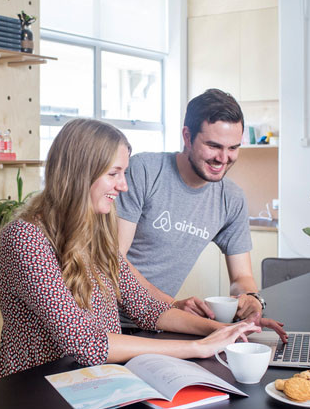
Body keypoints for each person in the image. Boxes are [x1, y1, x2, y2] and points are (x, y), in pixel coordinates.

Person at [0, 118, 261, 378]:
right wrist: (198, 348)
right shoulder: (25, 238)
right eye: (114, 174)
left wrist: (229, 331)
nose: (123, 185)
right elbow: (85, 342)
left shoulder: (95, 235)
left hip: (91, 384)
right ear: (79, 174)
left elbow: (147, 308)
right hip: (34, 394)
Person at [116, 89, 286, 339]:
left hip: (160, 322)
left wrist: (250, 299)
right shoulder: (144, 171)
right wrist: (172, 305)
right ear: (187, 136)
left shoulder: (231, 198)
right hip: (110, 320)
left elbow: (241, 276)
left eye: (233, 148)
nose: (223, 158)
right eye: (213, 146)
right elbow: (113, 261)